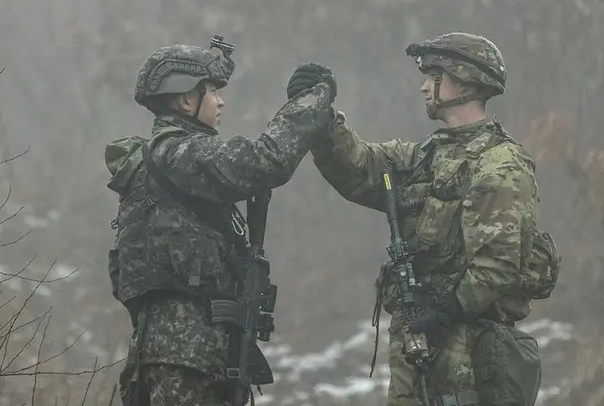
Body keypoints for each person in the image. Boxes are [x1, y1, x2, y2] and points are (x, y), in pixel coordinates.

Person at [287, 32, 559, 406]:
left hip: (468, 354)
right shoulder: (424, 158)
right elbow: (359, 168)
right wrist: (321, 118)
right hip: (419, 347)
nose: (423, 88)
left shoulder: (500, 165)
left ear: (461, 80)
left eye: (433, 77)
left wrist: (445, 312)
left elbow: (498, 265)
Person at [105, 40, 336, 405]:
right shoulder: (180, 155)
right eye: (211, 91)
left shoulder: (163, 163)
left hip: (180, 353)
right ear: (185, 100)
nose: (220, 101)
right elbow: (267, 159)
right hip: (186, 358)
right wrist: (313, 99)